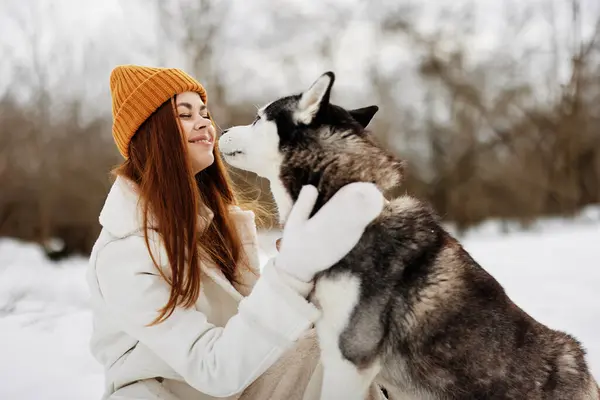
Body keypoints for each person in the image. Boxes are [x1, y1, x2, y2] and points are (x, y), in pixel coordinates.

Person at [86, 64, 387, 400]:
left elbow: (254, 335)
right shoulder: (124, 253)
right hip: (166, 394)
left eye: (203, 111)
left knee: (363, 348)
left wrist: (318, 274)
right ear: (151, 135)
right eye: (184, 115)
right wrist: (290, 273)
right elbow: (212, 368)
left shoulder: (217, 225)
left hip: (238, 385)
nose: (204, 122)